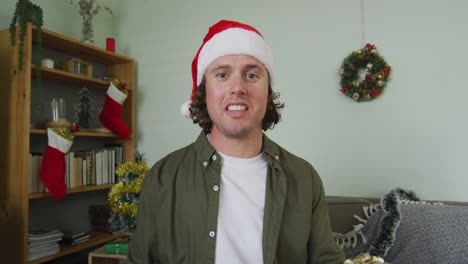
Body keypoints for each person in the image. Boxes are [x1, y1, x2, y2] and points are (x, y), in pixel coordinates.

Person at [127, 19, 345, 264]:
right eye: (222, 74)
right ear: (204, 91)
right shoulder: (162, 177)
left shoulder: (305, 178)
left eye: (251, 75)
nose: (237, 87)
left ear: (267, 92)